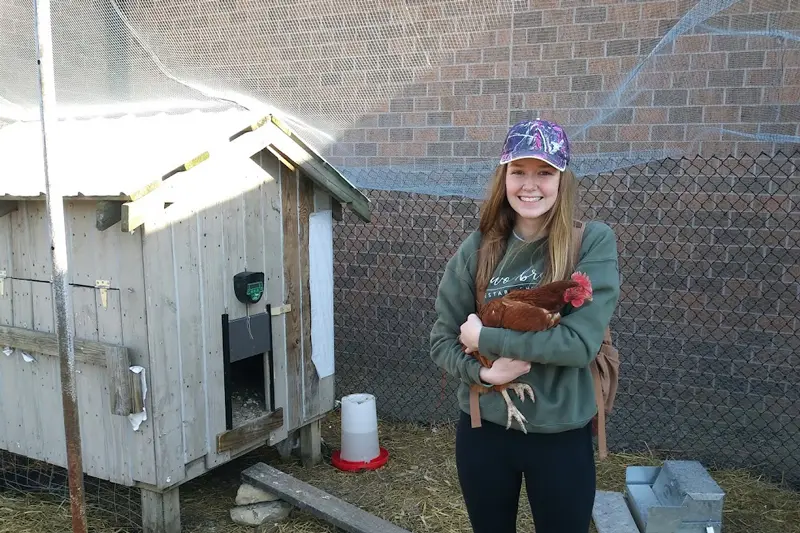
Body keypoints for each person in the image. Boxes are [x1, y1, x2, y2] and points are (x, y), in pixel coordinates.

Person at [429, 118, 620, 533]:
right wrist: (482, 370)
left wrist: (486, 338)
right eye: (519, 171)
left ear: (562, 179)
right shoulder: (478, 247)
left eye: (544, 172)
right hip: (486, 430)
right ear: (504, 176)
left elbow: (578, 344)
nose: (529, 185)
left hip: (561, 434)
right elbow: (443, 339)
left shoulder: (591, 242)